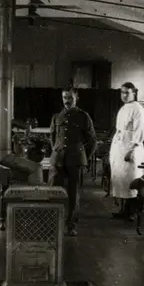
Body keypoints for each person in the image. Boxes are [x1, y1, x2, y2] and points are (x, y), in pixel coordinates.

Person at [49, 88, 97, 236]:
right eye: (64, 97)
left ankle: (71, 225)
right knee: (54, 192)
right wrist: (56, 151)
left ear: (76, 98)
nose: (67, 100)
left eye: (70, 97)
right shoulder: (57, 117)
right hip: (58, 159)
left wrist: (83, 157)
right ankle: (54, 224)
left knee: (73, 193)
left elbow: (92, 140)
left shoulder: (83, 116)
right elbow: (53, 138)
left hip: (75, 160)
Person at [110, 82, 144, 219]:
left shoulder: (138, 109)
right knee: (122, 178)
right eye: (122, 92)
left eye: (127, 92)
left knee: (130, 177)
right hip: (120, 145)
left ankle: (131, 212)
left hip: (131, 146)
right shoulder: (124, 108)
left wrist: (131, 150)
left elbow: (139, 131)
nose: (124, 95)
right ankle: (124, 209)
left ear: (134, 92)